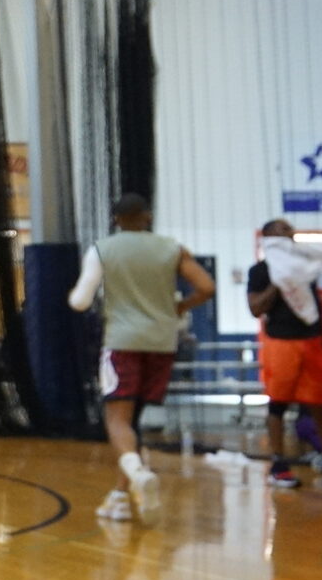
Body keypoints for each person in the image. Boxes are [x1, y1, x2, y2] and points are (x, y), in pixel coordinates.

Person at [67, 194, 213, 520]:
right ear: (147, 216)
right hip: (162, 343)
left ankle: (137, 474)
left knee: (117, 420)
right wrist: (178, 307)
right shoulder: (172, 248)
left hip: (122, 342)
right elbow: (206, 287)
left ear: (116, 219)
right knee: (133, 422)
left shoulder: (103, 249)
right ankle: (120, 496)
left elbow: (79, 300)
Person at [249, 219, 322, 489]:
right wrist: (279, 283)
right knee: (278, 404)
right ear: (269, 237)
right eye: (283, 229)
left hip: (311, 343)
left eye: (290, 229)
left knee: (319, 404)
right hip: (281, 344)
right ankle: (278, 464)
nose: (290, 233)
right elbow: (255, 308)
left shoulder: (304, 267)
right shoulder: (261, 271)